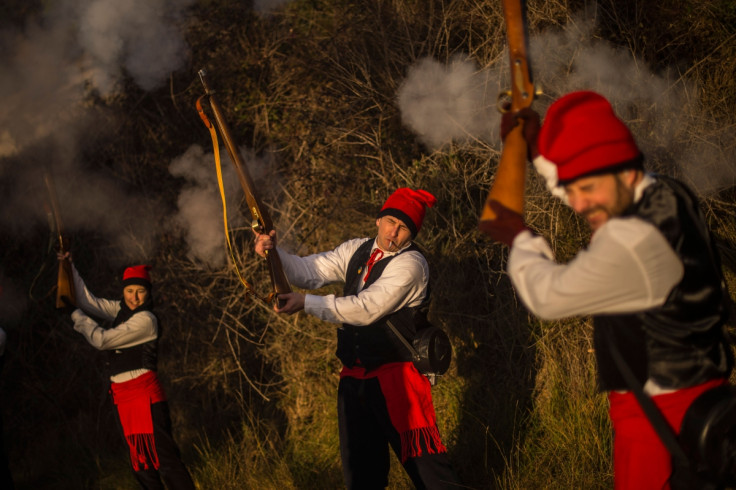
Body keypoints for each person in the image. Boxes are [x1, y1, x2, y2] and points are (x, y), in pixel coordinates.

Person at [483, 90, 734, 489]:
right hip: (703, 396)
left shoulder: (630, 241)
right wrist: (536, 150)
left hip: (656, 414)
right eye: (574, 187)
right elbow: (589, 181)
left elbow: (546, 297)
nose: (579, 204)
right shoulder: (666, 190)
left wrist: (519, 239)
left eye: (587, 189)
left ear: (628, 172)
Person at [255, 188, 461, 489]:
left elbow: (365, 309)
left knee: (431, 476)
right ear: (378, 219)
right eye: (390, 221)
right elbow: (309, 271)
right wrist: (274, 252)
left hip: (398, 381)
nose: (393, 232)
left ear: (411, 234)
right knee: (362, 478)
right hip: (355, 378)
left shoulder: (412, 265)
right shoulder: (357, 249)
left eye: (403, 228)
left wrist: (306, 303)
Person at [59, 253, 195, 490]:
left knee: (166, 462)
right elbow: (88, 301)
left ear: (148, 293)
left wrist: (75, 315)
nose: (134, 297)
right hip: (123, 399)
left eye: (140, 291)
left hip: (145, 396)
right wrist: (68, 265)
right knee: (141, 464)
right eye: (129, 290)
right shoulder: (122, 311)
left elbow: (101, 340)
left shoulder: (146, 320)